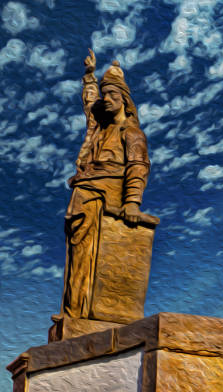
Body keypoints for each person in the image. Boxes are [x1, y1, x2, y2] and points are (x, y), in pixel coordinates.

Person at [61, 50, 150, 319]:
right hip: (82, 198)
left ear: (125, 99)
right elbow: (90, 106)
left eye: (113, 95)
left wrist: (132, 202)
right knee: (78, 258)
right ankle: (75, 311)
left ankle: (86, 314)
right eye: (105, 95)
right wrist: (89, 77)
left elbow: (138, 167)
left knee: (96, 258)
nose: (107, 100)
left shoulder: (131, 133)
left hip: (105, 202)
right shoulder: (99, 128)